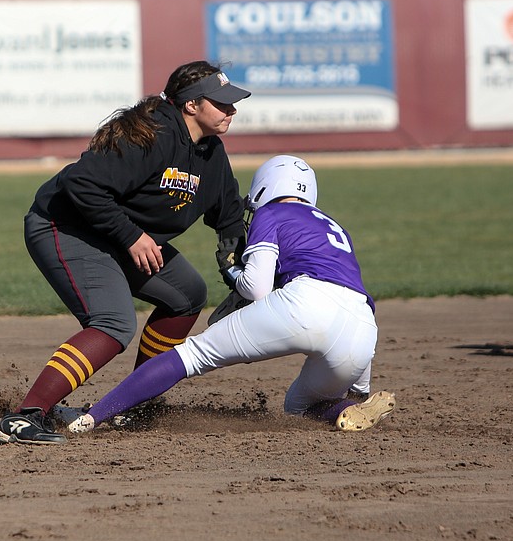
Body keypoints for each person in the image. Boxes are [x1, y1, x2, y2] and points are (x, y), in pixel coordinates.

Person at [0, 61, 251, 443]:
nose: (232, 110)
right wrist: (131, 236)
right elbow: (79, 184)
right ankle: (27, 414)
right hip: (66, 225)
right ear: (191, 105)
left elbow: (228, 216)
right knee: (114, 323)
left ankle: (134, 404)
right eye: (221, 103)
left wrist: (241, 273)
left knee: (187, 295)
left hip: (121, 236)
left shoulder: (209, 153)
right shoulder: (151, 135)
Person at [65, 154, 396, 436]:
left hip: (306, 303)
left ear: (265, 187)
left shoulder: (272, 212)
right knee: (300, 407)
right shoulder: (334, 227)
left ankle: (93, 417)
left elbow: (257, 288)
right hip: (363, 326)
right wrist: (359, 389)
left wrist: (232, 271)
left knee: (192, 355)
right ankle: (349, 411)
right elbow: (352, 298)